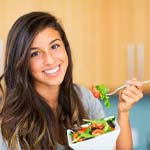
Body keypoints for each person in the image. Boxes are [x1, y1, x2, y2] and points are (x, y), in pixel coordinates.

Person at [0, 11, 143, 150]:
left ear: (65, 48)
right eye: (35, 53)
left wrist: (123, 112)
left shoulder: (83, 97)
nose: (49, 60)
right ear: (21, 61)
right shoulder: (8, 122)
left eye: (55, 46)